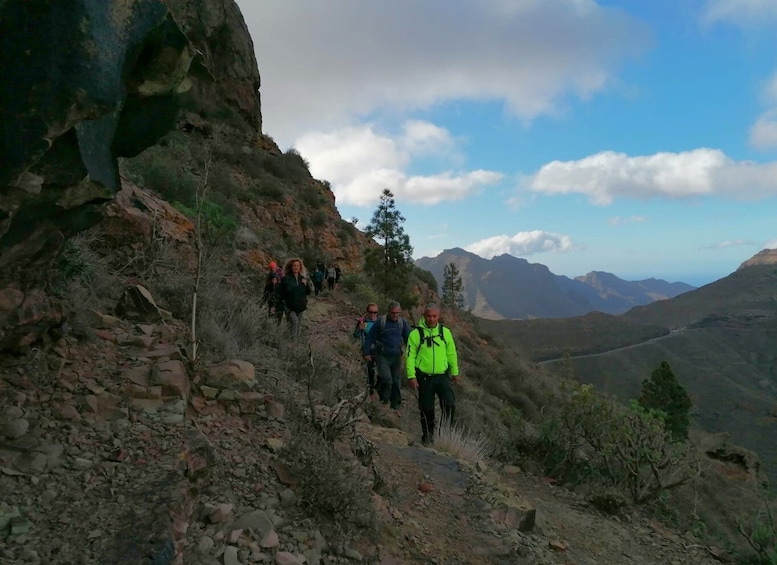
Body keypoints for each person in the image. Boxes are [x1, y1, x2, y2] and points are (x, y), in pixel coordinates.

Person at [406, 303, 460, 445]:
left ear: (438, 316)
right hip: (424, 377)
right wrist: (411, 375)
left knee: (449, 403)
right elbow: (410, 356)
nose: (431, 319)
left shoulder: (445, 332)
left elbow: (451, 353)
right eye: (429, 316)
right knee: (426, 408)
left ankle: (445, 434)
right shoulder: (416, 334)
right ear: (424, 316)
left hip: (442, 376)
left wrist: (455, 372)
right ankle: (428, 438)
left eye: (434, 316)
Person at [363, 301, 411, 411]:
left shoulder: (402, 323)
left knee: (396, 381)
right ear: (388, 312)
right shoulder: (381, 321)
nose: (395, 315)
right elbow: (370, 337)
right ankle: (384, 400)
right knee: (387, 379)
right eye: (393, 313)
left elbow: (409, 339)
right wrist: (366, 352)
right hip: (382, 355)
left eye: (397, 313)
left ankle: (396, 405)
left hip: (396, 356)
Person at [276, 257, 311, 337]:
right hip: (289, 306)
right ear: (291, 267)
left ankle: (293, 342)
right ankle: (293, 342)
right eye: (294, 265)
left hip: (300, 306)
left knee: (297, 325)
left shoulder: (302, 279)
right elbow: (280, 293)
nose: (296, 267)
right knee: (295, 322)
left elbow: (308, 292)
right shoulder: (286, 279)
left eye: (298, 265)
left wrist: (306, 284)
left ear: (300, 267)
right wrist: (276, 305)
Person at [353, 303, 380, 398]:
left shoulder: (381, 321)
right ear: (367, 312)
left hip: (380, 350)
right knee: (370, 371)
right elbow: (356, 336)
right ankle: (371, 391)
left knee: (382, 371)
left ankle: (378, 388)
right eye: (371, 312)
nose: (373, 315)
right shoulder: (362, 322)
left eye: (375, 312)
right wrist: (359, 329)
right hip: (367, 350)